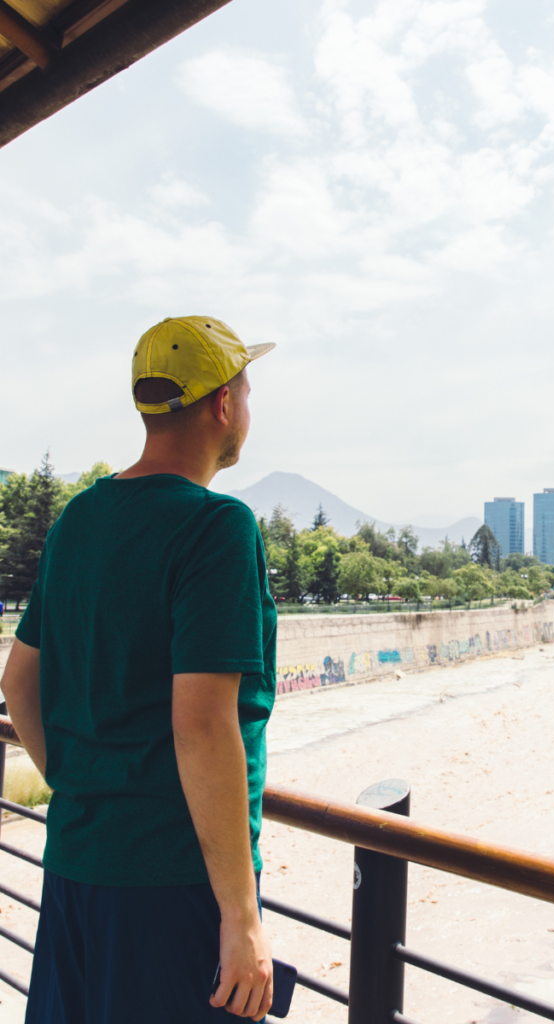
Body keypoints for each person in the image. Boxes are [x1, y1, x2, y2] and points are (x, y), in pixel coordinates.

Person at [0, 317, 279, 1021]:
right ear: (221, 404)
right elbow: (204, 724)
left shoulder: (79, 519)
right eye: (246, 391)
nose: (248, 407)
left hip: (74, 863)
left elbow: (17, 683)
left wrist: (82, 782)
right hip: (169, 884)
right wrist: (241, 919)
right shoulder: (217, 527)